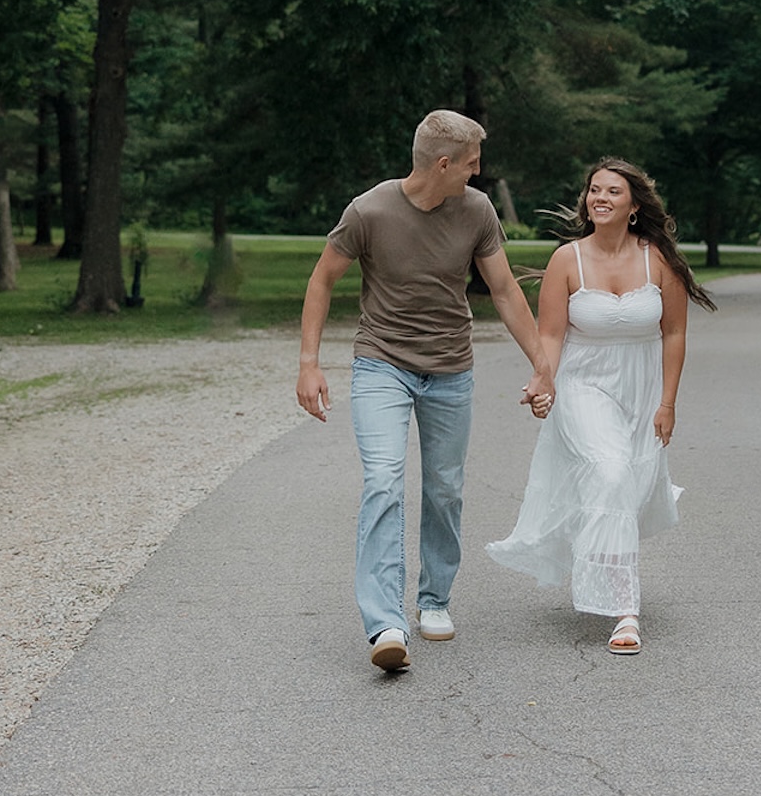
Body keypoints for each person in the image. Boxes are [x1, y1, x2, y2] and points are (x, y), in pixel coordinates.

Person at [297, 110, 554, 673]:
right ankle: (386, 622)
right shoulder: (368, 211)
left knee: (444, 488)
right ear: (443, 164)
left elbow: (506, 290)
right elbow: (322, 280)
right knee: (384, 481)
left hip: (450, 369)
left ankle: (434, 599)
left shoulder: (477, 211)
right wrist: (309, 364)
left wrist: (542, 365)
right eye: (471, 165)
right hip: (381, 364)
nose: (477, 175)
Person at [486, 157, 716, 654]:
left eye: (613, 191)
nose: (600, 198)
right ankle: (624, 610)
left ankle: (604, 564)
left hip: (640, 389)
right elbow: (550, 335)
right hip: (584, 385)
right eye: (594, 190)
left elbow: (673, 333)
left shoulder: (659, 260)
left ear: (634, 206)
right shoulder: (568, 260)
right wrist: (541, 381)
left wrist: (668, 403)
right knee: (610, 473)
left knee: (621, 489)